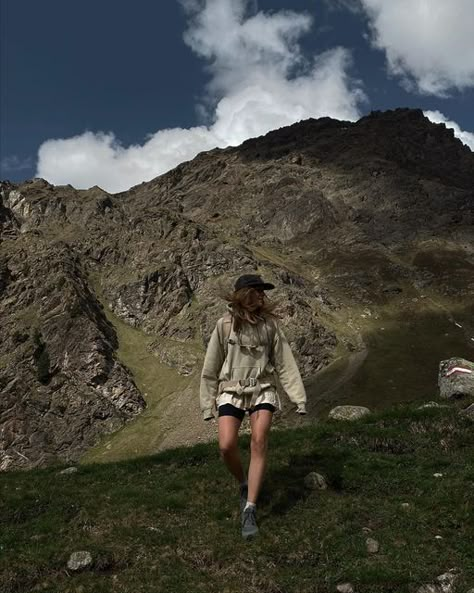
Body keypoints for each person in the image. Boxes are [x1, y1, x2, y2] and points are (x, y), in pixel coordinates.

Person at [200, 274, 307, 539]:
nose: (262, 295)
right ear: (244, 293)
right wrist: (207, 403)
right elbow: (211, 367)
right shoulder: (224, 326)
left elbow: (285, 363)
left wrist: (298, 398)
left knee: (259, 440)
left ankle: (250, 508)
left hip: (263, 389)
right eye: (257, 290)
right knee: (226, 446)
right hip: (232, 391)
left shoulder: (271, 326)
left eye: (263, 291)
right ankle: (245, 484)